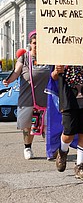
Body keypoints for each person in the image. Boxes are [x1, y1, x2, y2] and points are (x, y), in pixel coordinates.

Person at [51, 21, 83, 181]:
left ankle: (80, 166)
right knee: (68, 133)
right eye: (80, 32)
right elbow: (53, 76)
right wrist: (56, 71)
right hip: (68, 100)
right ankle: (62, 151)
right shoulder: (61, 53)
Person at [3, 30, 51, 160]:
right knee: (27, 125)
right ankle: (27, 147)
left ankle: (50, 149)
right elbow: (16, 71)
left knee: (47, 125)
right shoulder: (24, 57)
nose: (37, 46)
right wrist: (8, 80)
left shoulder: (49, 57)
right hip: (28, 98)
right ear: (30, 44)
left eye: (39, 43)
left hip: (46, 98)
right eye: (34, 43)